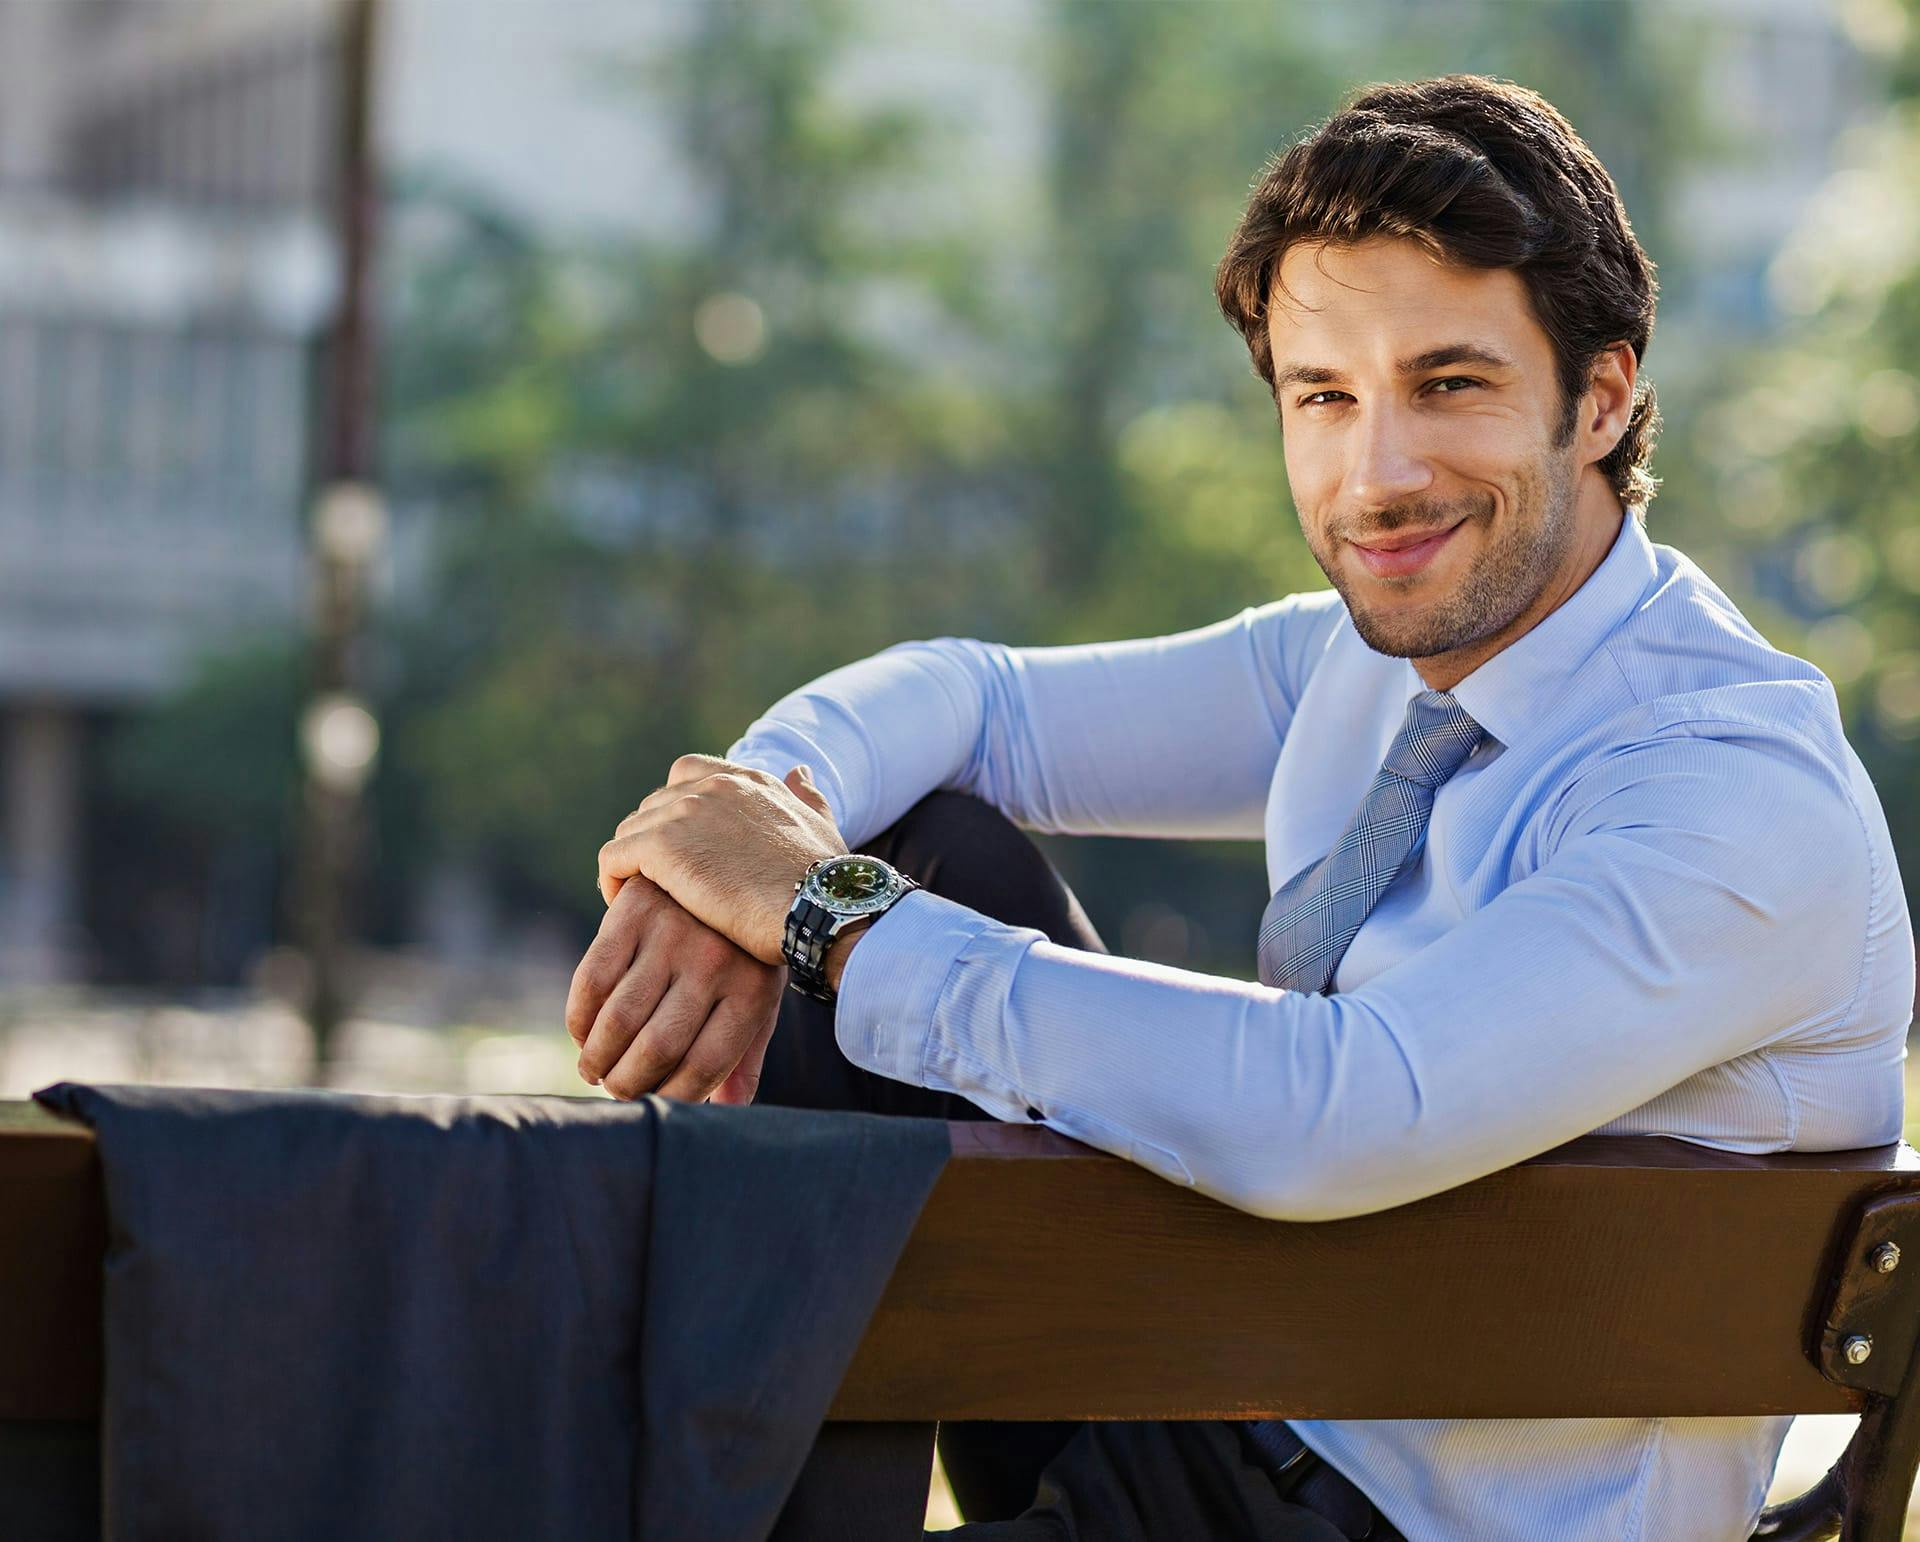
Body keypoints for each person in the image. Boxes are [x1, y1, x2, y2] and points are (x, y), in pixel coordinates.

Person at [565, 74, 1914, 1541]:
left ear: (1599, 399)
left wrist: (825, 916)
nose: (1376, 473)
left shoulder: (1728, 790)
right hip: (1201, 1395)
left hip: (1388, 1522)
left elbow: (1333, 1106)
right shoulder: (1360, 662)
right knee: (921, 835)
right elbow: (977, 699)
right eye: (1323, 398)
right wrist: (744, 835)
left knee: (869, 904)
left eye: (1449, 385)